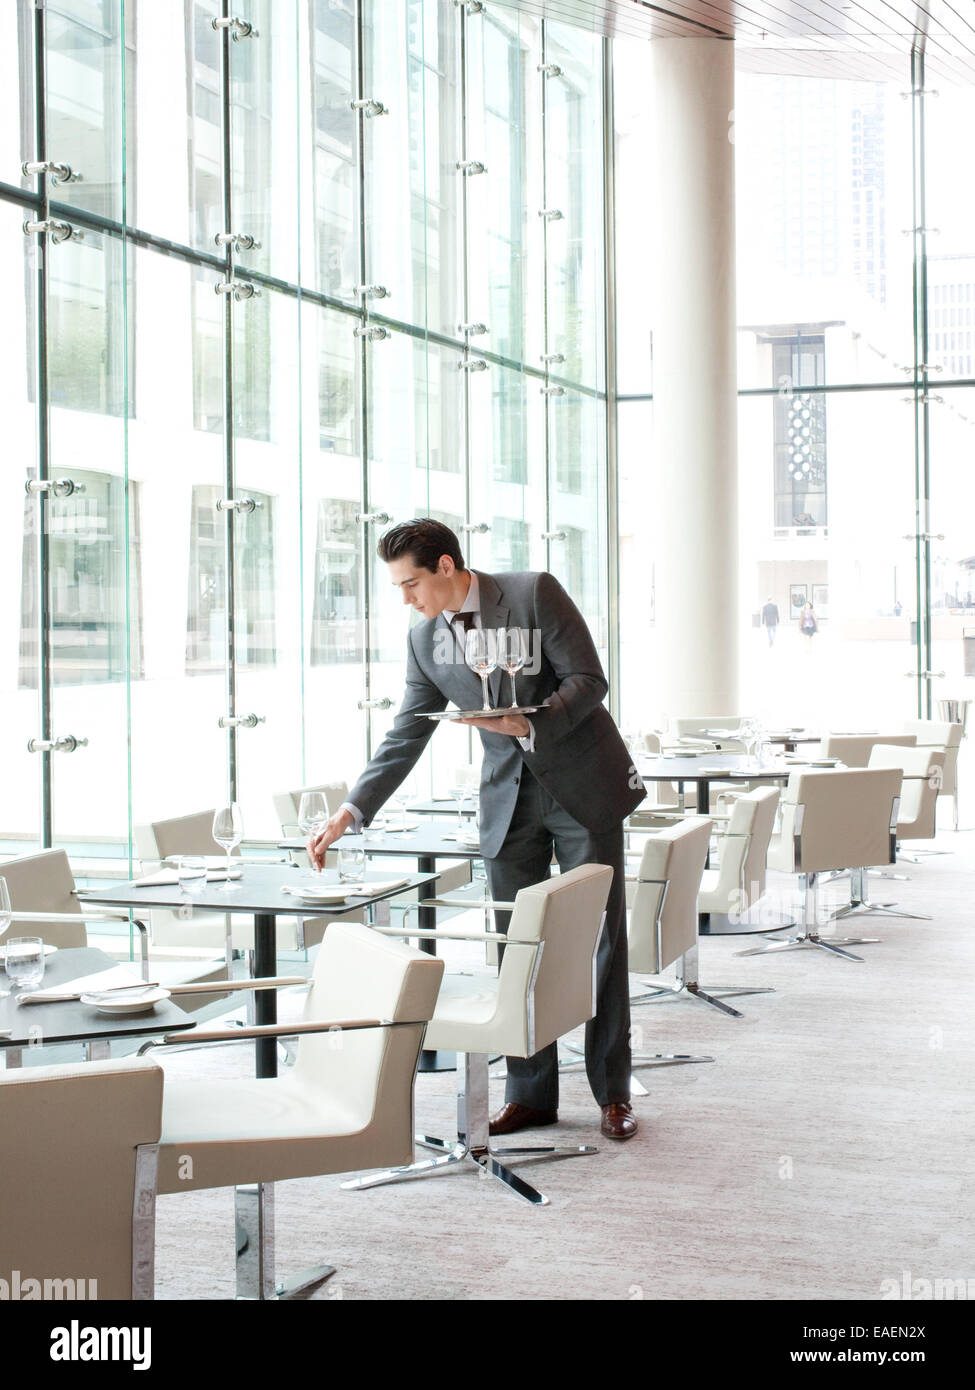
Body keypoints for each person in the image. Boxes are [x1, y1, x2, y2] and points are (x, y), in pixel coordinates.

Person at [308, 518, 646, 1141]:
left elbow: (589, 680)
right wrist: (352, 810)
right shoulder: (422, 641)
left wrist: (531, 725)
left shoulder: (531, 592)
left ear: (445, 567)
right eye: (398, 589)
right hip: (506, 804)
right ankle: (532, 1092)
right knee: (517, 948)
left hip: (579, 789)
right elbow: (407, 731)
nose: (407, 600)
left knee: (601, 944)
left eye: (412, 584)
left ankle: (612, 1093)